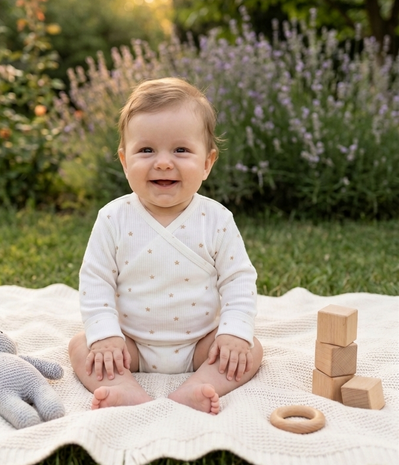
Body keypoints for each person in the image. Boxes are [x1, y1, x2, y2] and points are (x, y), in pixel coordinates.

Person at [69, 78, 263, 414]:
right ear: (124, 161)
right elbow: (96, 281)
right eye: (146, 150)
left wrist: (233, 333)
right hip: (130, 344)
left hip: (200, 344)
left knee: (250, 349)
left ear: (207, 163)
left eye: (180, 150)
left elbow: (238, 280)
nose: (162, 163)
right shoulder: (113, 218)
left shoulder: (216, 219)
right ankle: (123, 386)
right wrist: (106, 336)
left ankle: (197, 387)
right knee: (80, 346)